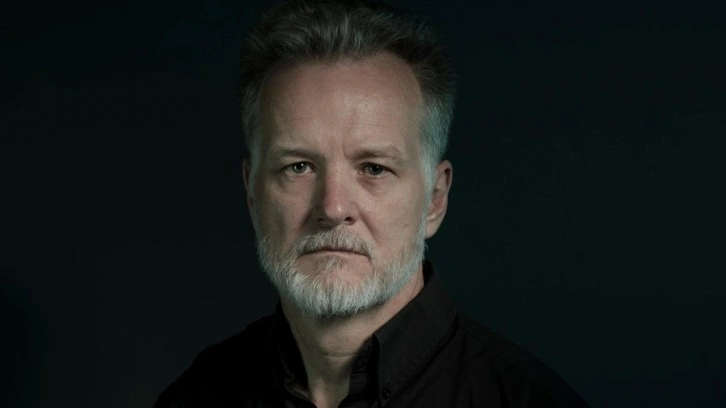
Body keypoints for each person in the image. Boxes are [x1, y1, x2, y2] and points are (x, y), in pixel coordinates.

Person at [155, 1, 589, 407]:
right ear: (252, 195)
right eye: (299, 166)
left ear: (435, 199)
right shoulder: (196, 397)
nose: (333, 208)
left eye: (374, 168)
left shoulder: (522, 399)